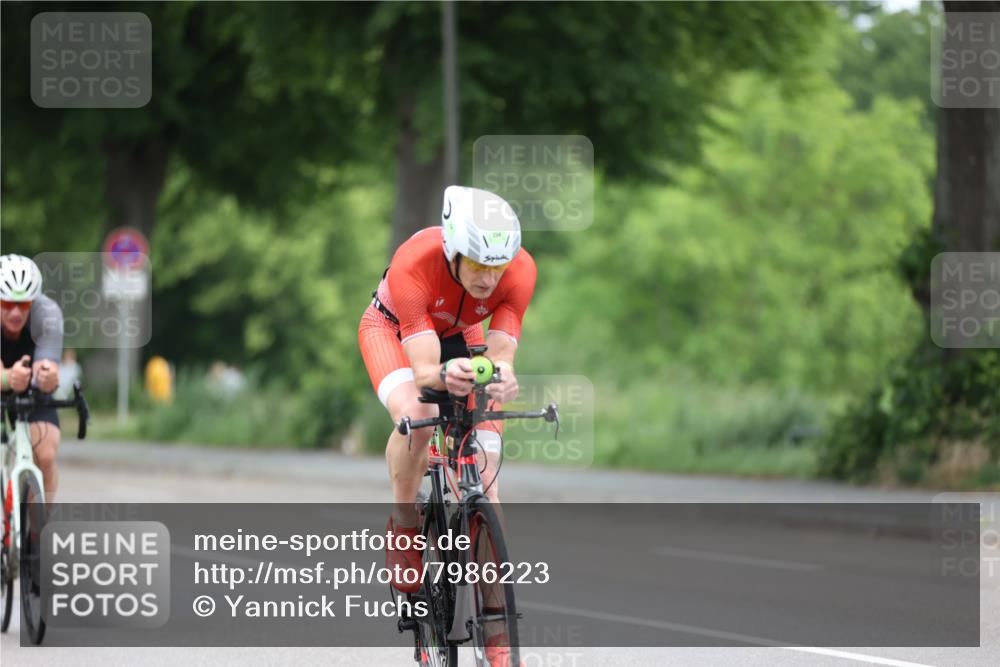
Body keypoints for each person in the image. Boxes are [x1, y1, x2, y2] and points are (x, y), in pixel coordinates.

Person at [358, 185, 535, 667]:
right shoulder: (414, 261)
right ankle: (406, 527)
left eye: (496, 267)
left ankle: (497, 635)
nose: (488, 277)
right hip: (395, 332)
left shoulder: (519, 271)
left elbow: (499, 355)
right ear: (452, 250)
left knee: (488, 471)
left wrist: (502, 377)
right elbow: (424, 371)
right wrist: (444, 378)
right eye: (477, 264)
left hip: (461, 334)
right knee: (421, 415)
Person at [0, 254, 64, 503]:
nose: (16, 312)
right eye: (6, 304)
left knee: (46, 455)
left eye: (24, 304)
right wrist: (8, 379)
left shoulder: (47, 313)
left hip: (29, 388)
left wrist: (48, 378)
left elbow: (45, 368)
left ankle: (41, 530)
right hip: (5, 377)